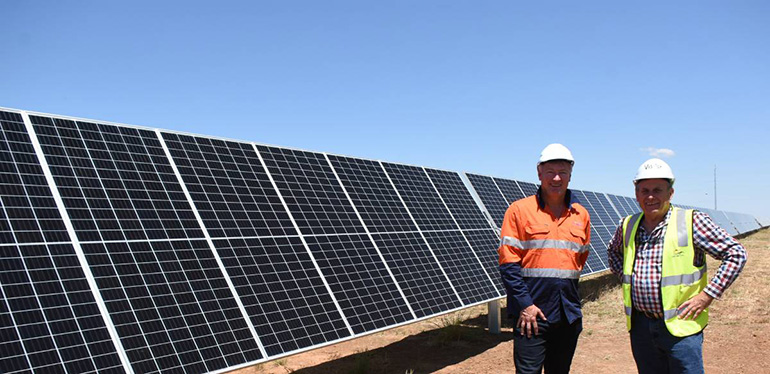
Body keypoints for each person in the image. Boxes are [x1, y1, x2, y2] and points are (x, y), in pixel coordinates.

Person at [608, 158, 748, 374]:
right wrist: (630, 277)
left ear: (670, 193)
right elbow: (613, 252)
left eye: (658, 190)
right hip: (641, 327)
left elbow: (736, 253)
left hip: (681, 328)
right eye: (644, 190)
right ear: (636, 194)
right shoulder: (628, 225)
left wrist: (707, 295)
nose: (651, 196)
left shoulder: (692, 222)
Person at [498, 143, 591, 374]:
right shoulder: (519, 210)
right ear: (539, 173)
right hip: (531, 315)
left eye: (563, 172)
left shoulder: (581, 214)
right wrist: (526, 305)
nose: (556, 178)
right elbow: (508, 264)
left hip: (568, 313)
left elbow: (579, 261)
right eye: (550, 172)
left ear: (571, 175)